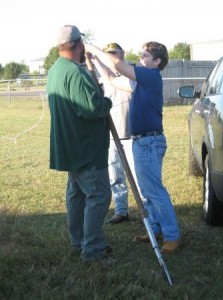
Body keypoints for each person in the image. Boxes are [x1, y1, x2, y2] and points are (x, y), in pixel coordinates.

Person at [85, 41, 181, 254]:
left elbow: (118, 64)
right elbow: (111, 79)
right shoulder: (140, 82)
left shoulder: (150, 76)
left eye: (145, 55)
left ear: (156, 61)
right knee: (146, 191)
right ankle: (155, 229)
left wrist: (93, 49)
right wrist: (96, 63)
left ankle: (172, 235)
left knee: (154, 191)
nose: (140, 58)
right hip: (141, 141)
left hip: (149, 142)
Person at [47, 25, 116, 266]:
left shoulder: (56, 70)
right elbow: (91, 108)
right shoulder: (74, 73)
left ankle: (78, 242)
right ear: (78, 45)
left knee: (76, 194)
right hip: (84, 148)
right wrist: (106, 100)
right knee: (99, 194)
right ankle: (93, 250)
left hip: (70, 146)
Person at [91, 42, 139, 224]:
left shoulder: (133, 74)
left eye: (115, 53)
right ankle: (121, 210)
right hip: (112, 134)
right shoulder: (104, 77)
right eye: (109, 54)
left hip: (133, 134)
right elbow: (105, 77)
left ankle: (147, 211)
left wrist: (96, 58)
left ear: (122, 53)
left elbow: (113, 76)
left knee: (138, 177)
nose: (112, 56)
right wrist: (94, 60)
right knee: (115, 176)